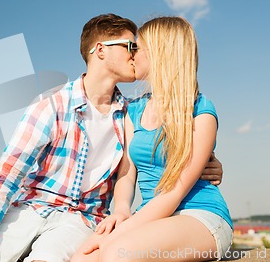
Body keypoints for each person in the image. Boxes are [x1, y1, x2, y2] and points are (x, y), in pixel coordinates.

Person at [0, 14, 224, 262]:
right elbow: (6, 177)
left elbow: (169, 152)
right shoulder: (56, 106)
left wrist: (206, 162)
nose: (133, 54)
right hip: (33, 208)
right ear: (100, 50)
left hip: (83, 219)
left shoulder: (129, 111)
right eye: (130, 46)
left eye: (137, 48)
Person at [71, 17, 233, 262]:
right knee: (82, 259)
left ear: (159, 53)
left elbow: (173, 194)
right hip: (153, 218)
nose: (131, 55)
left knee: (116, 253)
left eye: (136, 47)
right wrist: (123, 209)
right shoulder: (133, 110)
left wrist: (112, 237)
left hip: (201, 216)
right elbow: (127, 170)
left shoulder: (200, 111)